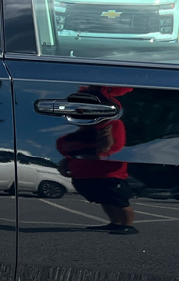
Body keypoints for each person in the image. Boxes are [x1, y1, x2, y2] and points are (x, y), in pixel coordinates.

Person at [54, 86, 139, 234]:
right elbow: (69, 152)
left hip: (109, 175)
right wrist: (67, 162)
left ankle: (127, 224)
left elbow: (116, 148)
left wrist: (96, 152)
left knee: (118, 201)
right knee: (104, 201)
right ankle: (115, 222)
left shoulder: (112, 126)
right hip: (85, 176)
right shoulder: (77, 134)